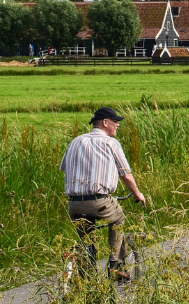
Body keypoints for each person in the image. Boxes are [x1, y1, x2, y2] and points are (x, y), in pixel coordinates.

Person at [60, 107, 146, 280]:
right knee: (118, 219)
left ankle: (87, 273)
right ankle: (114, 265)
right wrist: (137, 193)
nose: (117, 125)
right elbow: (125, 174)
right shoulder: (110, 143)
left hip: (74, 204)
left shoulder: (75, 142)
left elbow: (64, 168)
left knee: (87, 240)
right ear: (105, 122)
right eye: (115, 122)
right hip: (99, 202)